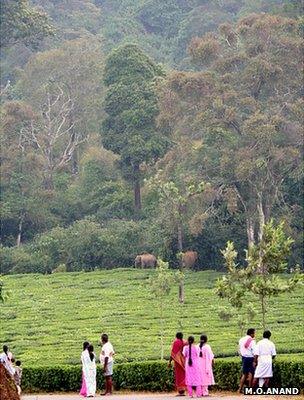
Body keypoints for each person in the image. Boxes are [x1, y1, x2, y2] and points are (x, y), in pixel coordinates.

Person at [238, 328, 256, 392]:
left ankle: (239, 389)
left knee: (244, 374)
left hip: (244, 358)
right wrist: (254, 361)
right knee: (251, 373)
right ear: (251, 333)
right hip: (250, 358)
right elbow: (255, 352)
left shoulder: (241, 339)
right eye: (254, 333)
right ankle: (250, 389)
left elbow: (239, 349)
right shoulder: (252, 341)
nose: (254, 335)